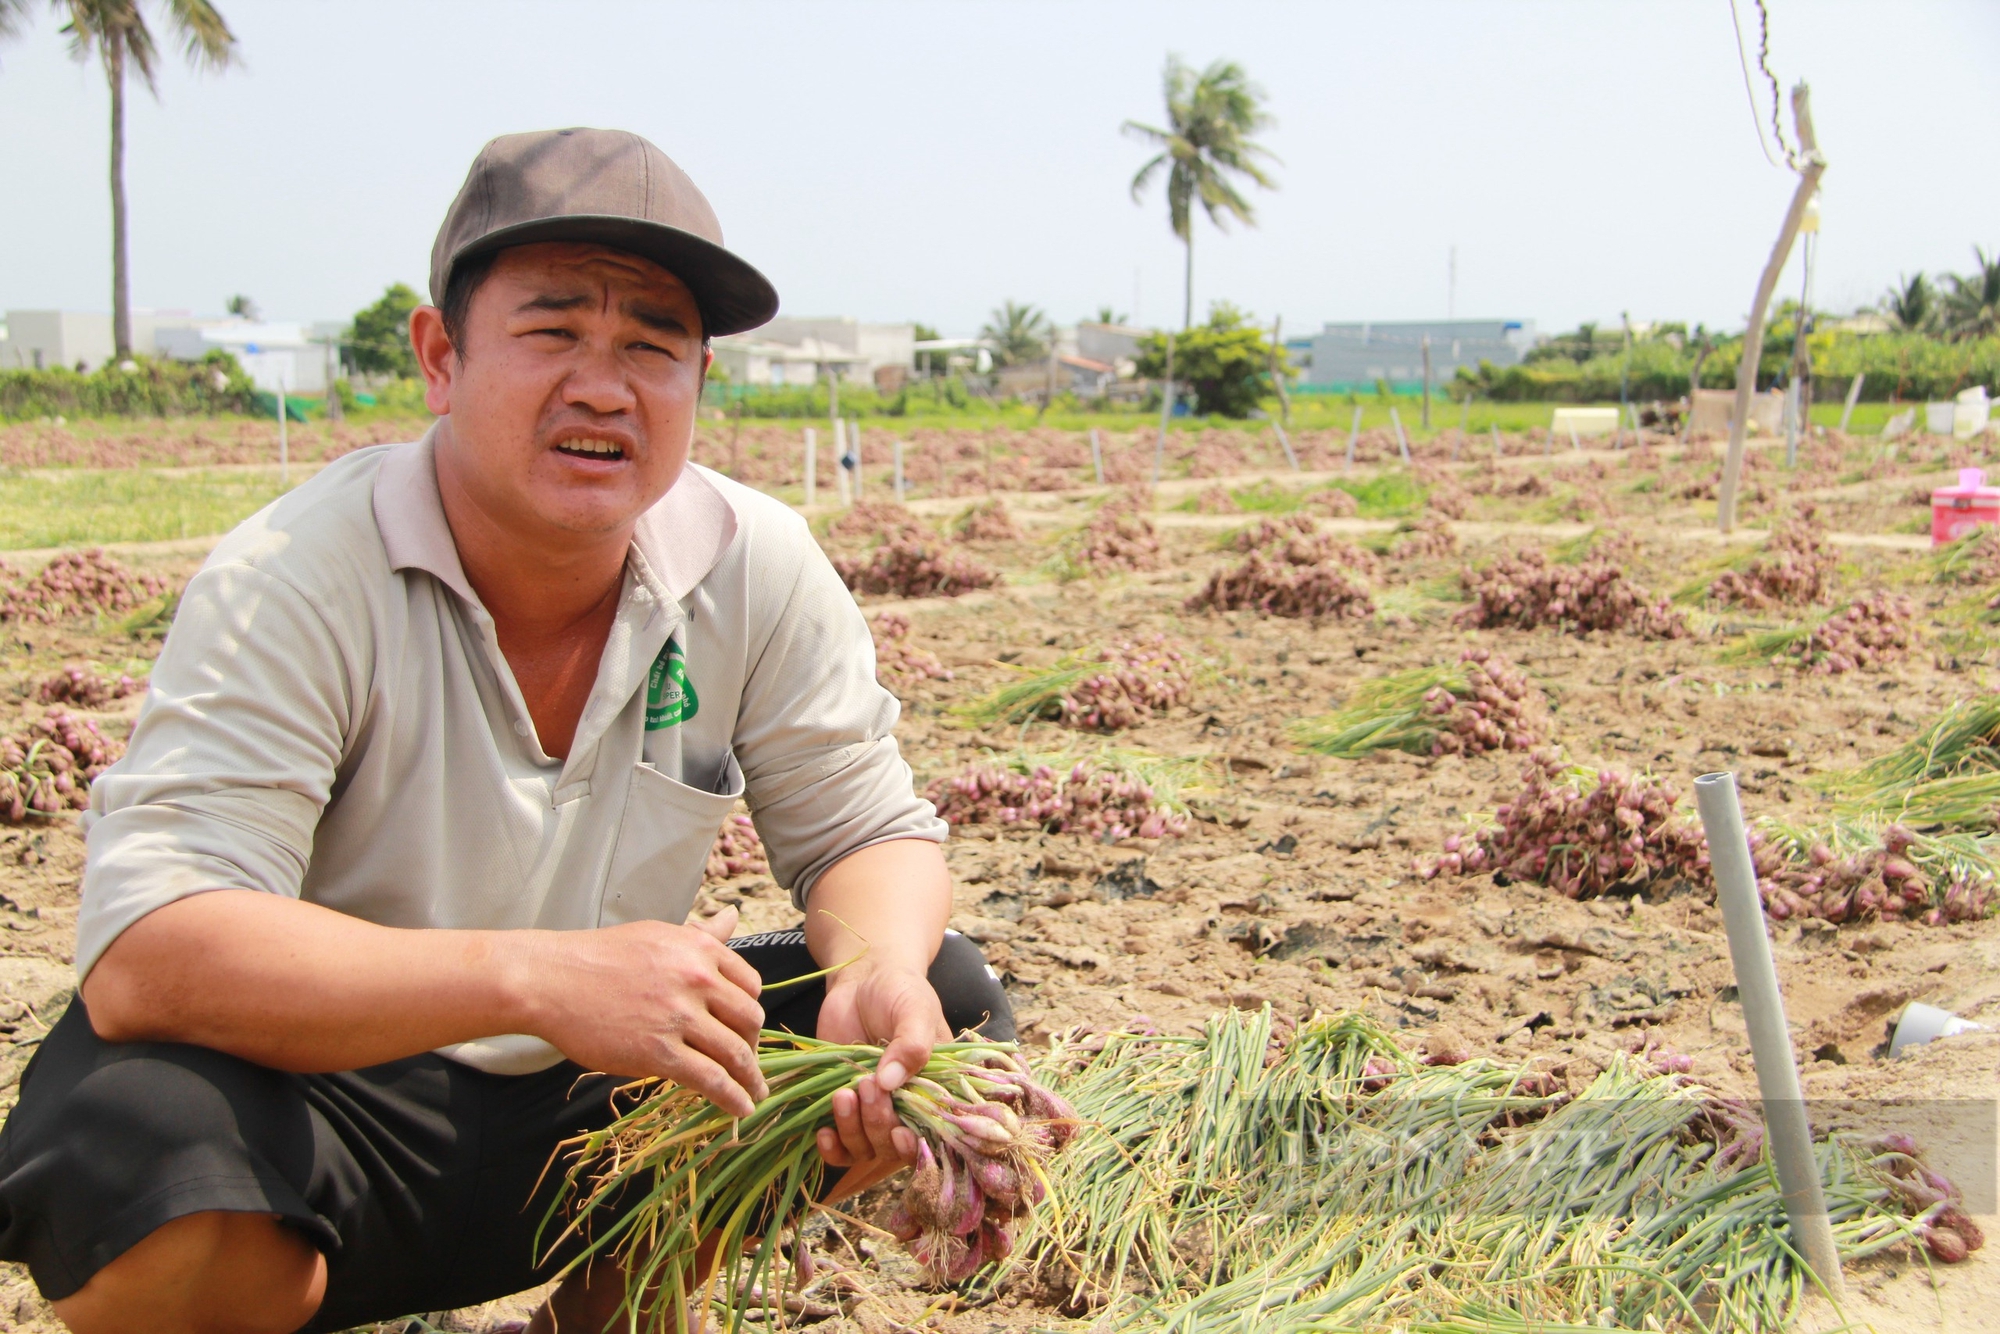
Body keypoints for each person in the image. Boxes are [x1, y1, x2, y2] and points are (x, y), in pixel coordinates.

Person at [0, 127, 1010, 1334]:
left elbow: (863, 824)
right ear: (439, 355)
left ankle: (613, 1305)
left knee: (937, 999)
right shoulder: (300, 574)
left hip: (599, 1119)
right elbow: (148, 951)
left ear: (698, 381)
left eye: (652, 342)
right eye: (552, 332)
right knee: (126, 1150)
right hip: (325, 1101)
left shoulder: (753, 566)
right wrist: (530, 974)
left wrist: (874, 969)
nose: (603, 384)